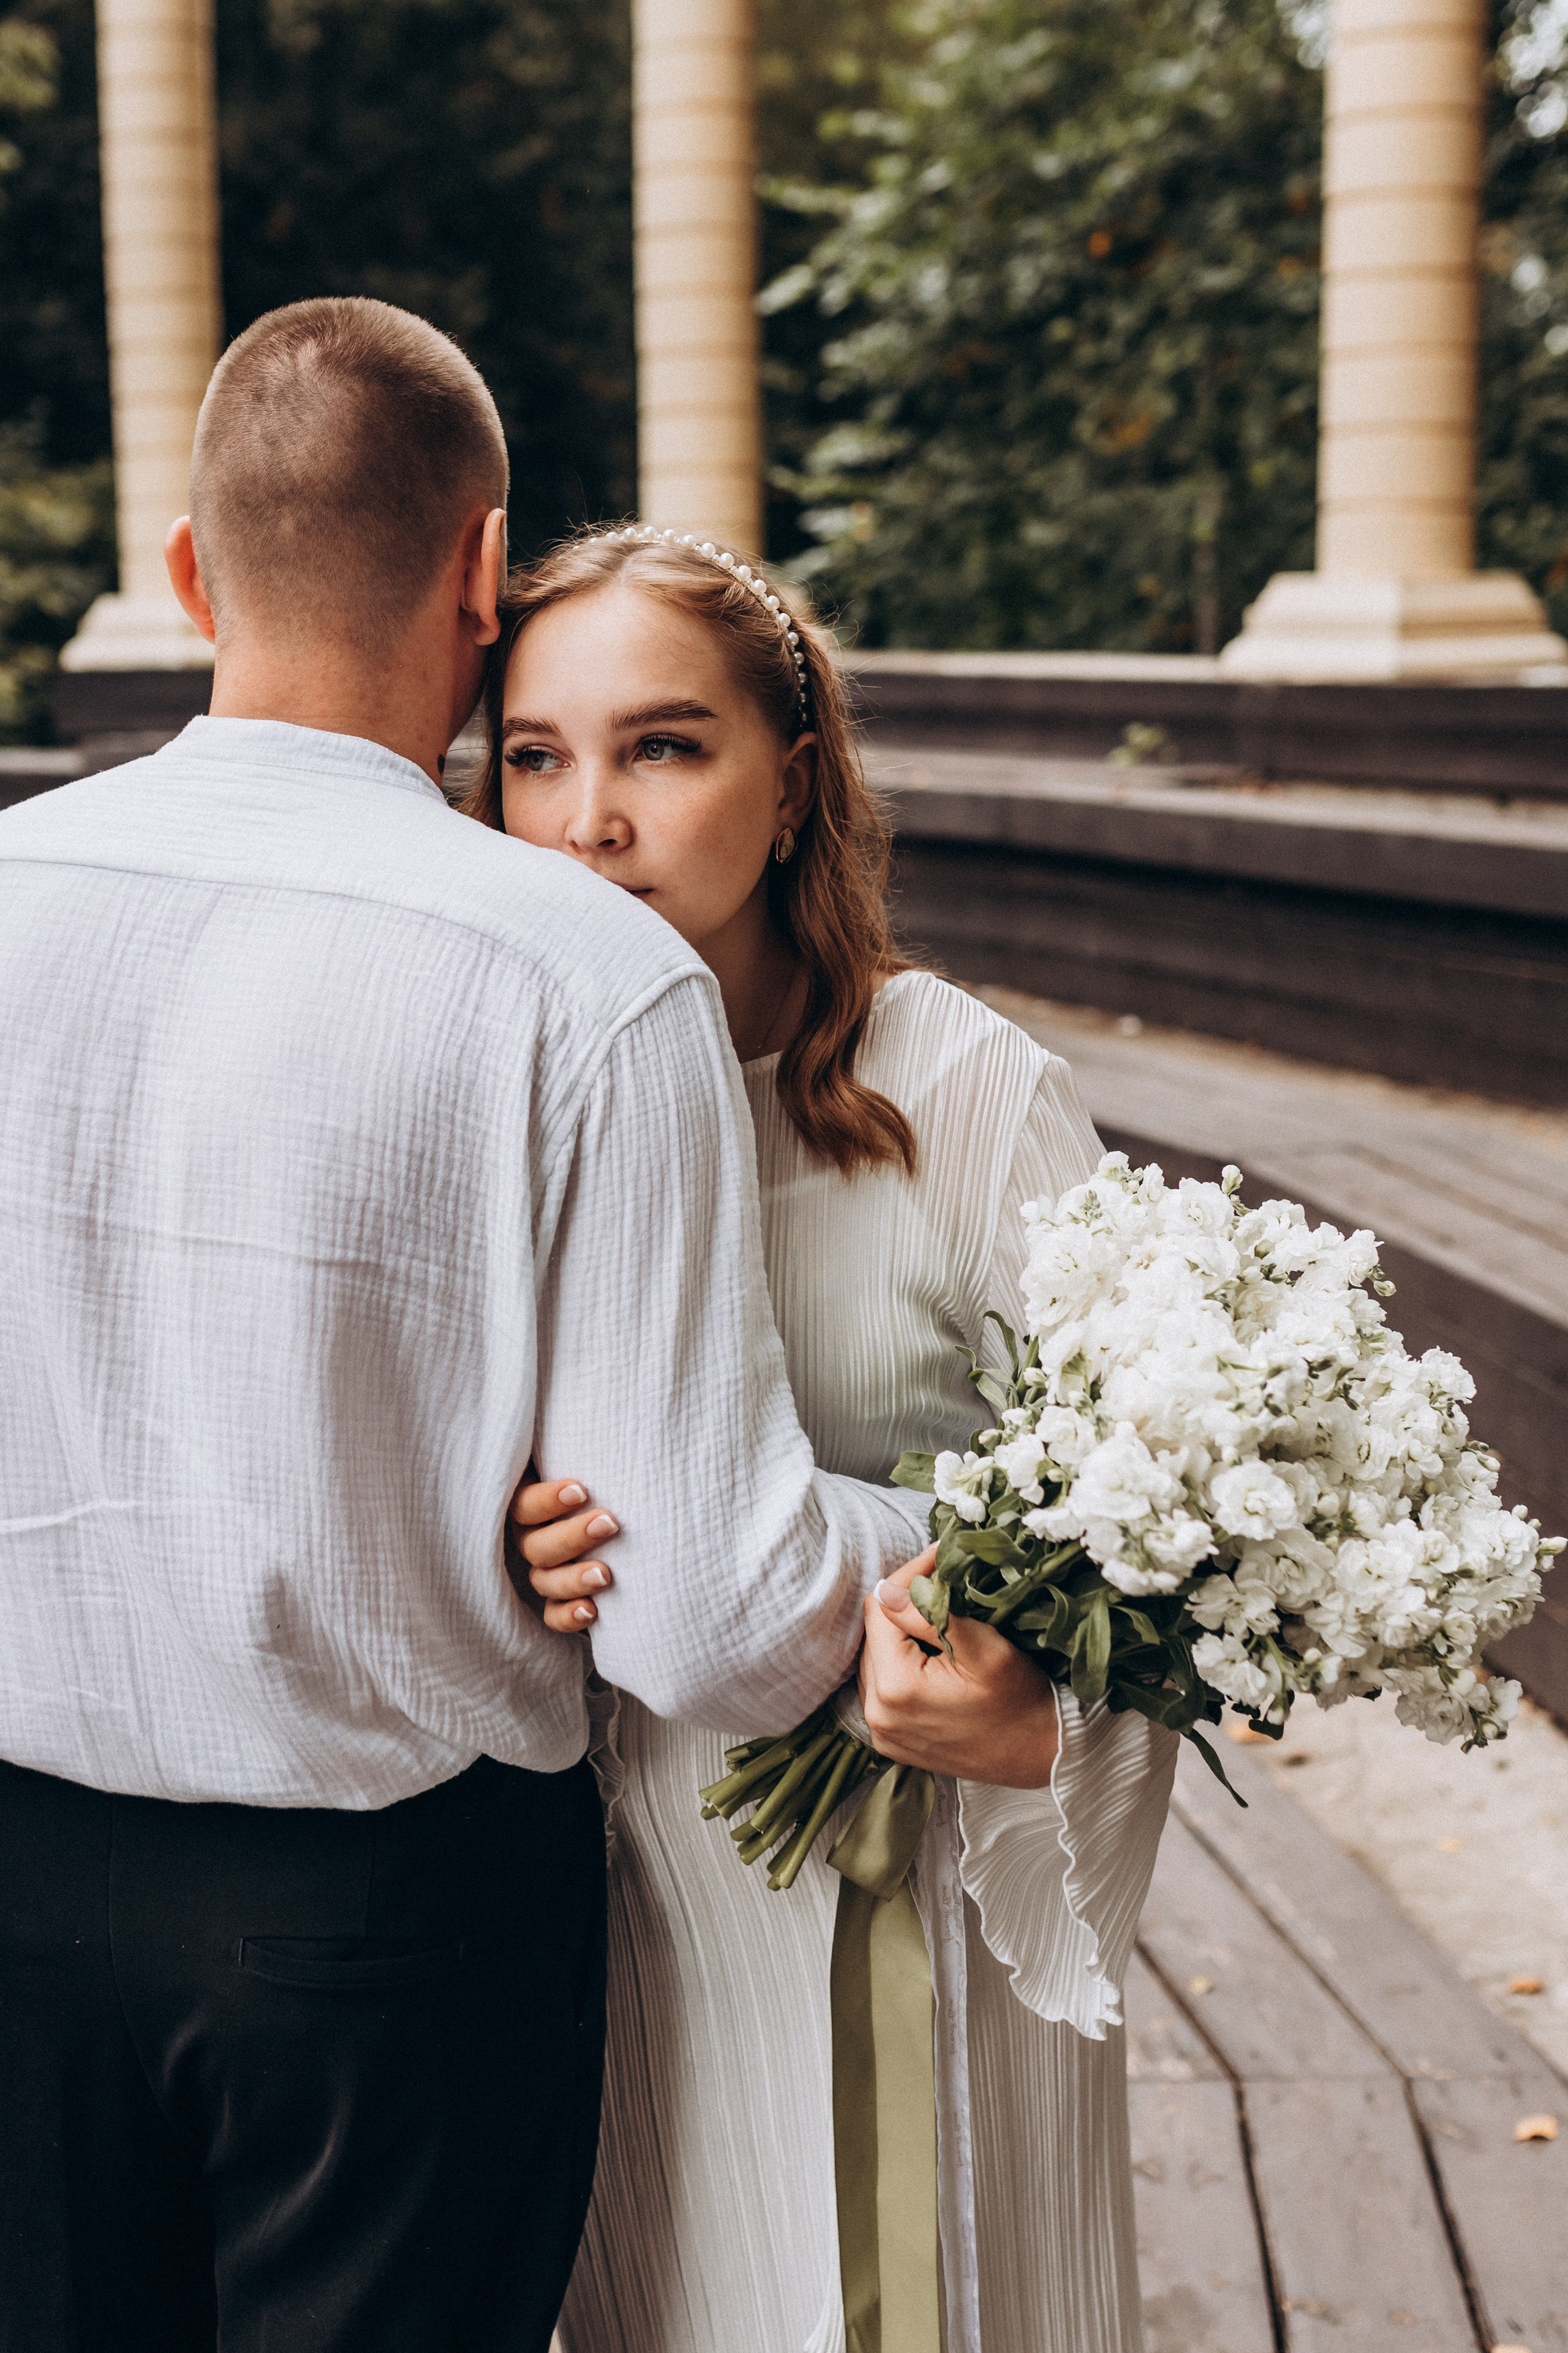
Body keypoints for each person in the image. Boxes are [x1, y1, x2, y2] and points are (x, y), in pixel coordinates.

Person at [0, 303, 1048, 2353]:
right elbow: (712, 1617)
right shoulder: (580, 977)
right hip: (382, 1939)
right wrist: (897, 1534)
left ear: (195, 569)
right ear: (484, 577)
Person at [479, 525, 1180, 2353]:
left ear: (790, 785)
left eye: (661, 745)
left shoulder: (961, 1089)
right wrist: (510, 1533)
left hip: (913, 1867)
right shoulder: (496, 1100)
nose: (588, 820)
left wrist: (1045, 1701)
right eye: (535, 754)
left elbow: (1165, 1524)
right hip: (628, 1891)